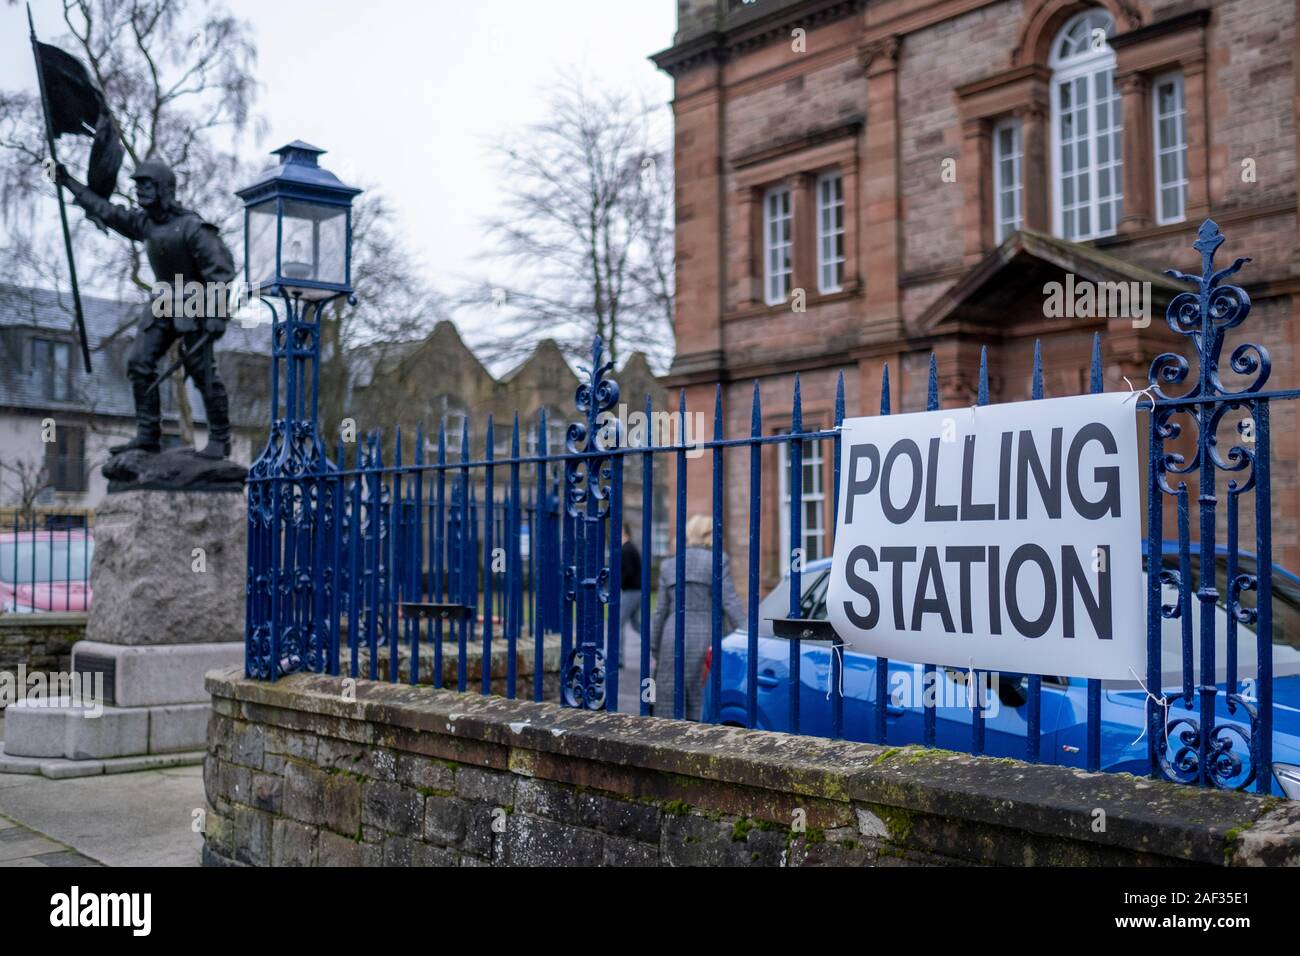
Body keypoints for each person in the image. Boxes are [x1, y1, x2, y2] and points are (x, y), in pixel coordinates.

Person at [57, 159, 236, 459]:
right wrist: (67, 181)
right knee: (139, 362)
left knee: (202, 370)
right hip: (164, 300)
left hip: (194, 301)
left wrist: (216, 315)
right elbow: (107, 211)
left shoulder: (193, 227)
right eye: (137, 185)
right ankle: (147, 436)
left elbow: (221, 271)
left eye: (147, 185)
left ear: (165, 189)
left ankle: (220, 439)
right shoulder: (146, 224)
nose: (139, 191)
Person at [649, 514, 744, 720]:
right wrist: (746, 635)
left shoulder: (670, 564)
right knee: (702, 699)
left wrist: (654, 647)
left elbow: (660, 611)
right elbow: (730, 602)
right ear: (708, 534)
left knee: (671, 701)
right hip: (707, 633)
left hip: (672, 634)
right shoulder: (718, 560)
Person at [618, 523, 642, 669]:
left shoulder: (626, 549)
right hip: (635, 591)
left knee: (617, 623)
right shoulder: (629, 548)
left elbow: (627, 572)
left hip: (630, 591)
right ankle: (657, 650)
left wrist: (618, 587)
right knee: (637, 624)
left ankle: (618, 658)